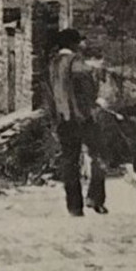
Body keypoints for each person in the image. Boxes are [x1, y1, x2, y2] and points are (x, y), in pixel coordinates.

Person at [44, 28, 105, 217]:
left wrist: (54, 118)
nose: (81, 45)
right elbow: (88, 85)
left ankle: (74, 207)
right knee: (99, 155)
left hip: (62, 119)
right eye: (78, 42)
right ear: (72, 44)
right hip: (82, 118)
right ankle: (95, 198)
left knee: (69, 161)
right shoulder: (75, 62)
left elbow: (48, 95)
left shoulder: (52, 64)